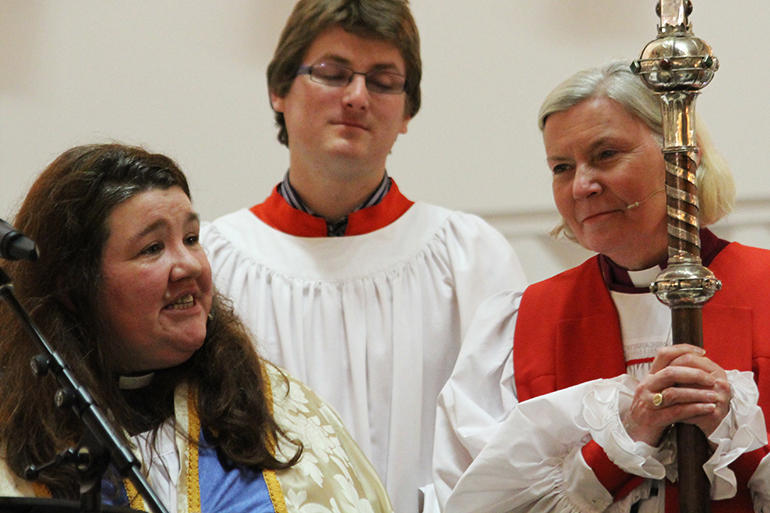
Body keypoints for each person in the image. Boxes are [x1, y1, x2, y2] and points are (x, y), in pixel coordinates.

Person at [200, 1, 526, 511]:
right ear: (279, 90)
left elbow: (510, 450)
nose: (356, 97)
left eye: (383, 80)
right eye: (332, 73)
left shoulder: (468, 258)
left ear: (407, 112)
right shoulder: (214, 262)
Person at [433, 61, 770, 512]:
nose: (581, 186)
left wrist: (735, 437)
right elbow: (477, 503)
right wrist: (619, 443)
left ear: (683, 156)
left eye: (606, 154)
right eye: (562, 167)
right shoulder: (524, 324)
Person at [0, 144, 393, 513]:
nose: (189, 264)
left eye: (191, 239)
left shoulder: (279, 411)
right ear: (73, 286)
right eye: (152, 248)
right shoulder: (12, 445)